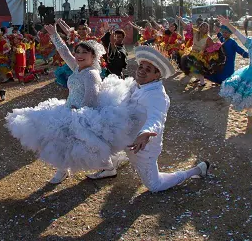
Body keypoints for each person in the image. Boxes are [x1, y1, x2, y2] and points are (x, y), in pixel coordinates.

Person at [86, 46, 211, 192]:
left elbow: (156, 118)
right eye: (141, 66)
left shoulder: (156, 96)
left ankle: (196, 170)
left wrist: (146, 132)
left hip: (142, 148)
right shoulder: (136, 84)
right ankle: (113, 164)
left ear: (157, 75)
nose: (141, 70)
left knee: (154, 186)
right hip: (127, 140)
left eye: (148, 69)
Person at [6, 23, 108, 184]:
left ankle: (109, 166)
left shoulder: (91, 74)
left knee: (83, 146)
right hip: (67, 109)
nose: (79, 55)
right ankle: (63, 169)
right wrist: (54, 35)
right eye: (78, 52)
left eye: (85, 52)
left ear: (93, 56)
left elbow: (91, 99)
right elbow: (64, 52)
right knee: (58, 140)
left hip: (82, 115)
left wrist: (78, 114)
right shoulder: (77, 68)